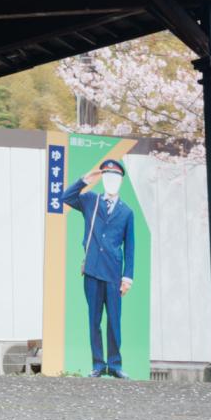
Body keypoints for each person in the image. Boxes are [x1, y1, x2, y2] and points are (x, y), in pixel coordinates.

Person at [62, 159, 137, 378]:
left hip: (114, 274)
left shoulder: (127, 212)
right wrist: (85, 179)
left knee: (114, 320)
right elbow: (66, 197)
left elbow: (130, 246)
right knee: (94, 319)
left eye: (115, 178)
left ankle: (114, 365)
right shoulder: (90, 201)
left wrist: (127, 277)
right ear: (102, 179)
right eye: (107, 177)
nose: (111, 182)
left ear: (121, 182)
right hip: (93, 271)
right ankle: (97, 364)